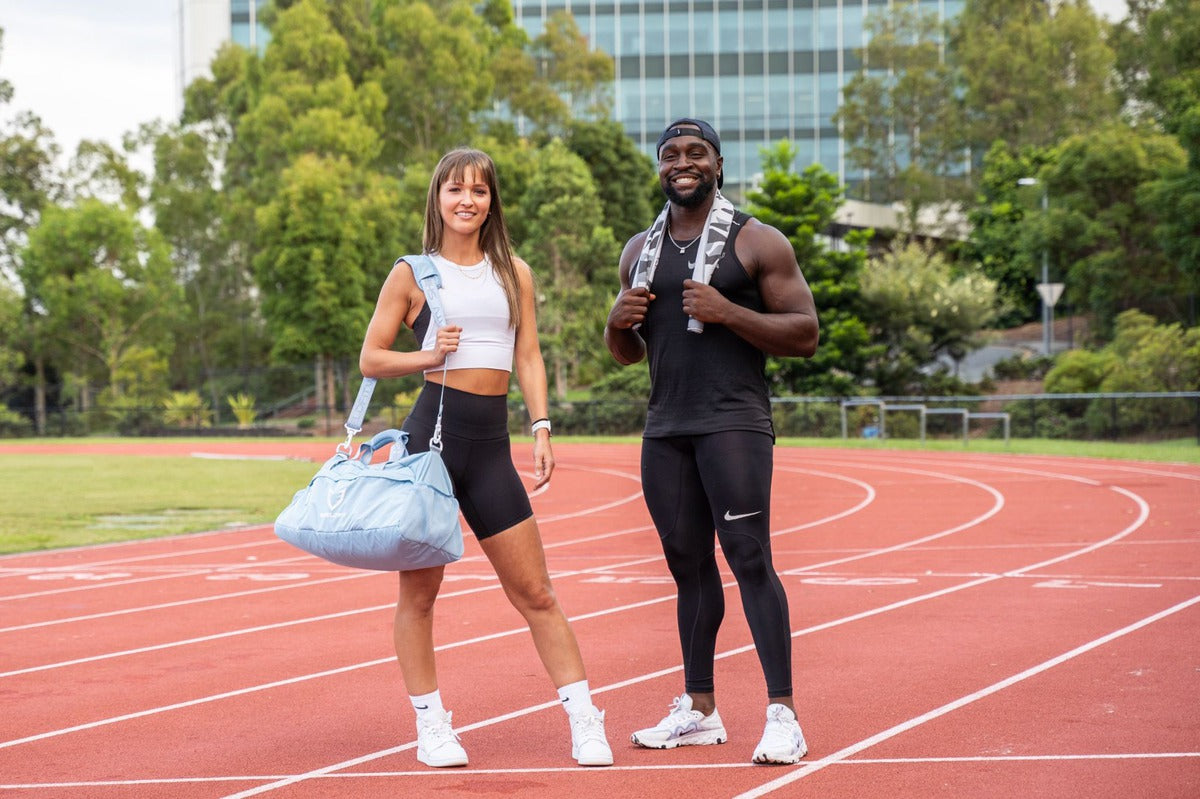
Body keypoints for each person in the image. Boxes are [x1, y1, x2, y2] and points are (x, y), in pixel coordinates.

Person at [360, 147, 612, 769]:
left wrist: (541, 426)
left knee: (536, 593)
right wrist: (427, 355)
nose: (466, 200)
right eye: (455, 189)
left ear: (492, 200)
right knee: (420, 596)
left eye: (478, 190)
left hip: (492, 449)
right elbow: (371, 358)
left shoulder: (514, 273)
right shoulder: (412, 273)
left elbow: (528, 355)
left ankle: (585, 719)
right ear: (438, 198)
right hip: (432, 445)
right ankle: (431, 727)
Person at [604, 119, 819, 765]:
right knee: (687, 567)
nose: (682, 163)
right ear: (660, 168)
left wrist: (728, 311)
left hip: (733, 422)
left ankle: (783, 715)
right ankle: (699, 709)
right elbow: (628, 353)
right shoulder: (638, 250)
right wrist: (614, 326)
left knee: (749, 558)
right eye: (670, 154)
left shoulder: (757, 240)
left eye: (696, 153)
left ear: (718, 165)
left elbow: (805, 333)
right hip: (666, 427)